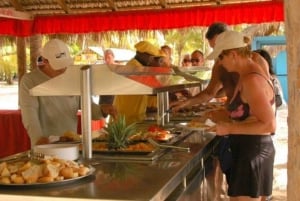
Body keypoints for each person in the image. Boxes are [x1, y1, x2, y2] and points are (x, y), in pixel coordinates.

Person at [207, 30, 276, 201]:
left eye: (221, 58)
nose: (220, 63)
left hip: (253, 152)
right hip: (248, 151)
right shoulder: (245, 76)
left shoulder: (252, 80)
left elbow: (269, 125)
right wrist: (223, 114)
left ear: (233, 54)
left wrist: (229, 127)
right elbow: (247, 111)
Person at [19, 39, 117, 146]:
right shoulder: (29, 81)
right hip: (45, 145)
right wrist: (38, 138)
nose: (63, 69)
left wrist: (102, 110)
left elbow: (88, 107)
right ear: (45, 61)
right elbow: (29, 115)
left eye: (65, 64)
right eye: (58, 65)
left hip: (71, 143)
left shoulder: (73, 77)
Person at [113, 41, 166, 125]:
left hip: (135, 118)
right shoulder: (134, 67)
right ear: (147, 57)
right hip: (125, 120)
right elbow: (154, 89)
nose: (157, 64)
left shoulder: (141, 67)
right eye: (156, 59)